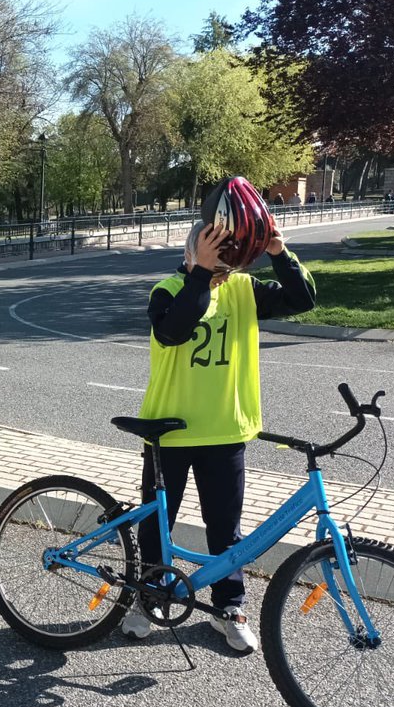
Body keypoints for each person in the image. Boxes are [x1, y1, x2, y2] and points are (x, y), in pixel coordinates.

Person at [122, 176, 316, 653]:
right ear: (192, 253)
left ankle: (229, 605)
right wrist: (198, 274)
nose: (221, 269)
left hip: (225, 431)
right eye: (211, 257)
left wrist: (277, 251)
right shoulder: (168, 289)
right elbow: (174, 331)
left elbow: (302, 299)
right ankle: (151, 596)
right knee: (157, 525)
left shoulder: (244, 290)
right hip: (169, 432)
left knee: (226, 528)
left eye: (224, 260)